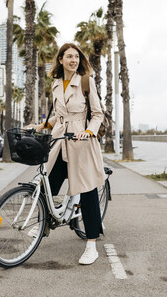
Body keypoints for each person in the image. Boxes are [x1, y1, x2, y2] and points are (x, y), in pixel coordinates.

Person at [26, 43, 105, 265]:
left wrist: (89, 132)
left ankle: (91, 245)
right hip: (60, 141)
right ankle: (44, 224)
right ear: (60, 59)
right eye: (69, 56)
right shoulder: (56, 84)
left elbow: (98, 114)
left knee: (87, 192)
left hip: (81, 141)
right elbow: (58, 116)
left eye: (76, 57)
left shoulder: (86, 82)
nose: (74, 60)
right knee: (48, 183)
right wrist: (40, 126)